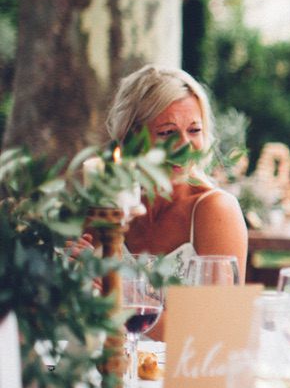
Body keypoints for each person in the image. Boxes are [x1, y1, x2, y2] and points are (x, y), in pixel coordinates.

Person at [70, 65, 248, 280]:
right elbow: (92, 300)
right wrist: (78, 276)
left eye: (194, 130)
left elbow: (220, 312)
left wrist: (119, 294)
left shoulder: (215, 209)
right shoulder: (110, 205)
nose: (184, 146)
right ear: (131, 137)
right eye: (167, 133)